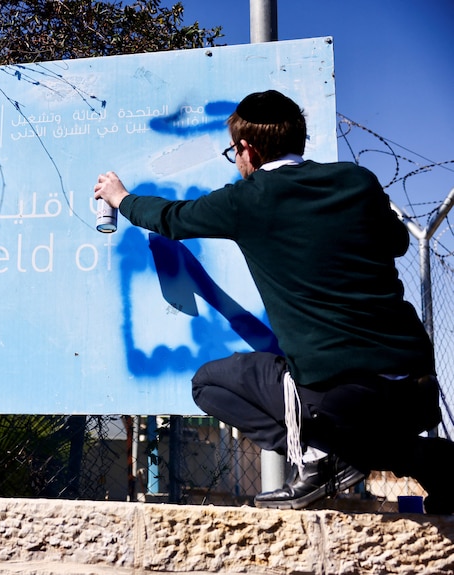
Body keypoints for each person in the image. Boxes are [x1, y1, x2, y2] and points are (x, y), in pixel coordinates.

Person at [94, 89, 454, 513]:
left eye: (234, 152)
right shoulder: (357, 181)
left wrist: (120, 197)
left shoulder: (248, 199)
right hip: (415, 391)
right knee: (357, 421)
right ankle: (428, 460)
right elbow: (397, 243)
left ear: (247, 148)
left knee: (208, 383)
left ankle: (318, 459)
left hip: (336, 397)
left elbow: (171, 218)